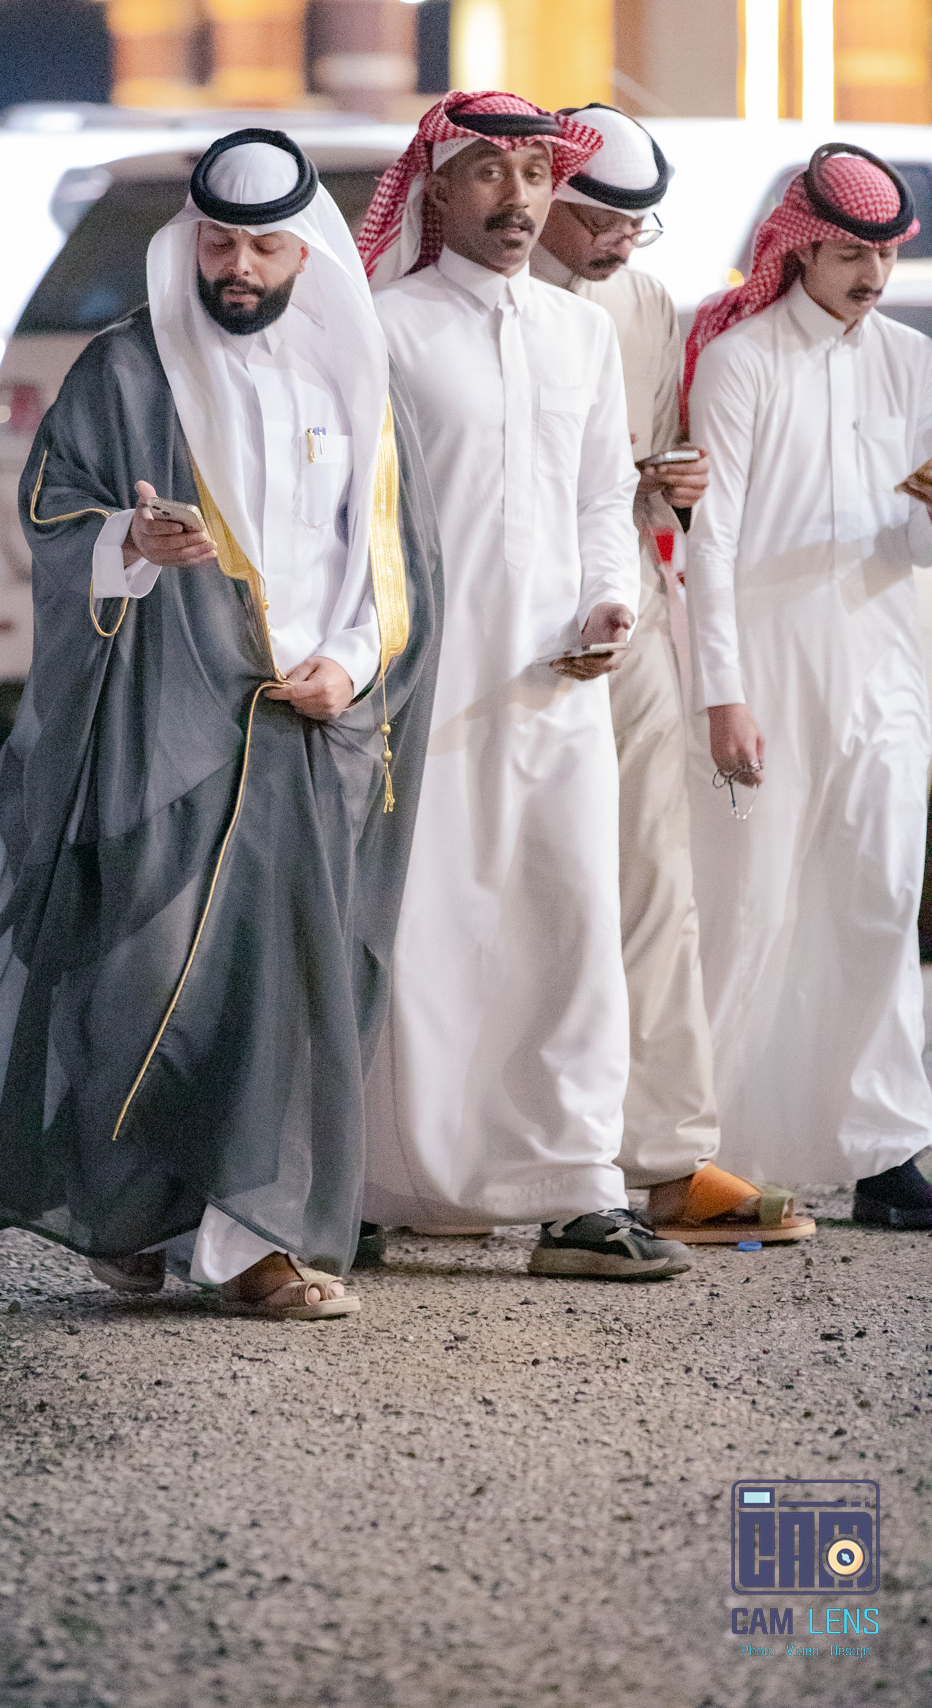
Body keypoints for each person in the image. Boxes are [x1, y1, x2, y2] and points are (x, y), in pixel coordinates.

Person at [0, 130, 440, 1320]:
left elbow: (400, 558)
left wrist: (353, 660)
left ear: (306, 252)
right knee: (136, 972)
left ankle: (250, 1241)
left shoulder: (355, 376)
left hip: (309, 729)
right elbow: (54, 512)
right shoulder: (127, 369)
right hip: (160, 722)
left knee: (278, 988)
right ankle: (134, 1209)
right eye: (218, 242)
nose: (238, 267)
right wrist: (132, 543)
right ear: (190, 241)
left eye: (263, 246)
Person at [357, 89, 689, 1281]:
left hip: (558, 681)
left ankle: (575, 1188)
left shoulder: (578, 333)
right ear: (437, 189)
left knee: (570, 923)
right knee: (423, 925)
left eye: (537, 174)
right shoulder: (385, 327)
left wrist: (612, 602)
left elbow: (604, 496)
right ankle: (379, 1181)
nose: (518, 198)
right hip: (421, 685)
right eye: (490, 173)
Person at [530, 105, 808, 1247]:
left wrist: (666, 481)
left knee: (655, 882)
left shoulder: (644, 302)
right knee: (499, 891)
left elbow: (634, 473)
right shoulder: (454, 298)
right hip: (499, 638)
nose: (617, 244)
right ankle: (468, 1160)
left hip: (629, 620)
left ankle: (666, 1159)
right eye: (599, 221)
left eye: (635, 227)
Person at [686, 143, 932, 1228]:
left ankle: (884, 1151)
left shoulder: (911, 362)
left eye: (883, 255)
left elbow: (911, 538)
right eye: (847, 255)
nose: (869, 275)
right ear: (799, 250)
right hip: (766, 672)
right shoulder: (741, 360)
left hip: (884, 673)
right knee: (748, 903)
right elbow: (710, 540)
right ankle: (699, 1148)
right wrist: (722, 692)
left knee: (878, 901)